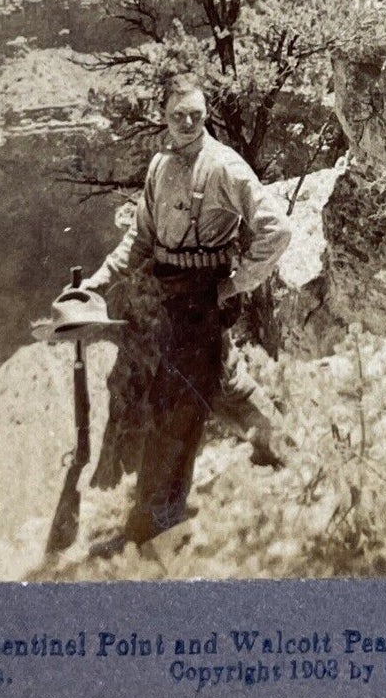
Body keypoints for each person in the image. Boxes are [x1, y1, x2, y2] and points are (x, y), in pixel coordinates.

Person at [71, 72, 293, 547]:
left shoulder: (224, 167)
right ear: (164, 116)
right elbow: (140, 241)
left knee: (176, 405)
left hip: (204, 299)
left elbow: (278, 229)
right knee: (225, 381)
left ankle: (153, 524)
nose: (188, 122)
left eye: (196, 113)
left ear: (206, 111)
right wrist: (94, 284)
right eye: (178, 115)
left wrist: (235, 284)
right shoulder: (159, 167)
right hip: (171, 298)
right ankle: (291, 450)